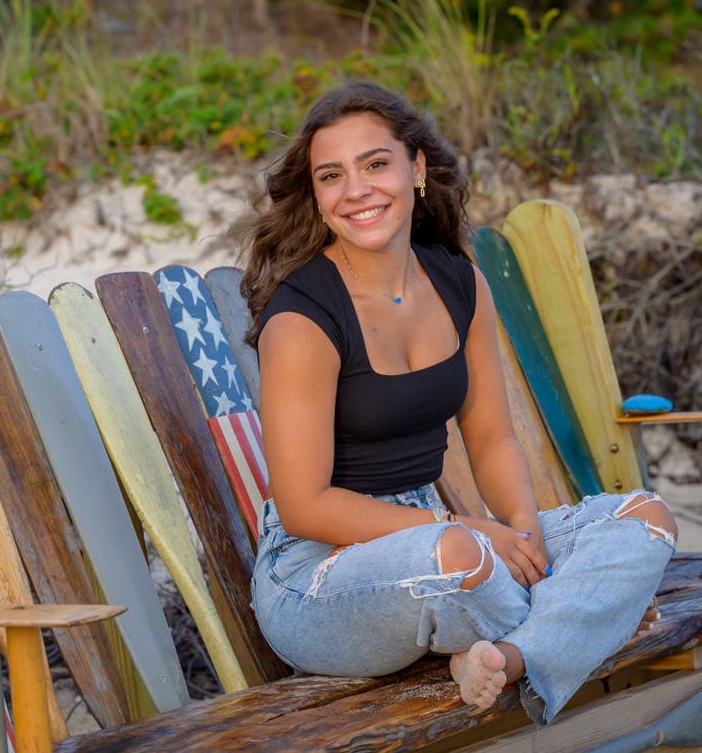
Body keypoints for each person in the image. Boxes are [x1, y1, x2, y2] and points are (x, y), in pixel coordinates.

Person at [239, 81, 677, 725]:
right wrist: (478, 533)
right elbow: (305, 508)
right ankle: (584, 618)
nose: (356, 190)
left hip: (442, 544)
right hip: (318, 579)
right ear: (316, 195)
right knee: (465, 557)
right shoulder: (304, 317)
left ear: (416, 168)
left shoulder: (456, 280)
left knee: (645, 518)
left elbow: (493, 436)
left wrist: (524, 536)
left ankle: (507, 655)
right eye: (331, 175)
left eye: (376, 164)